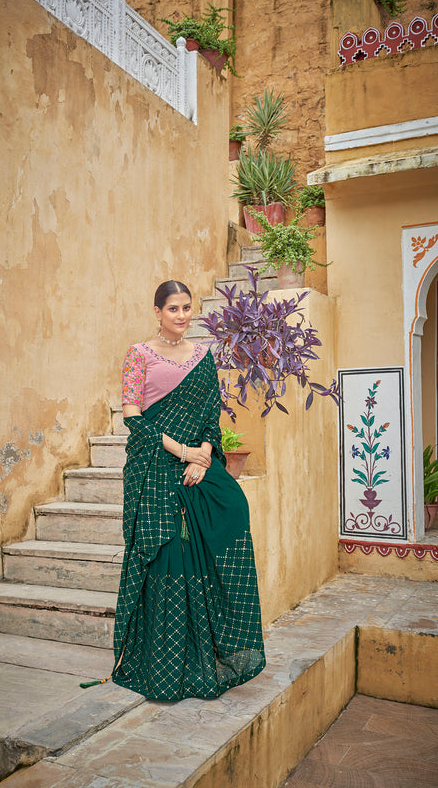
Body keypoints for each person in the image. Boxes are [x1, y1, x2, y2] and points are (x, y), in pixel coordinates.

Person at [111, 279, 266, 700]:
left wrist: (203, 453)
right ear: (157, 311)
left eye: (186, 308)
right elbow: (133, 417)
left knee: (233, 507)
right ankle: (162, 665)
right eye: (173, 309)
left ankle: (211, 648)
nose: (181, 316)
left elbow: (210, 414)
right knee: (169, 558)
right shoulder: (138, 355)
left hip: (194, 462)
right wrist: (181, 452)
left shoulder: (202, 355)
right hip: (155, 464)